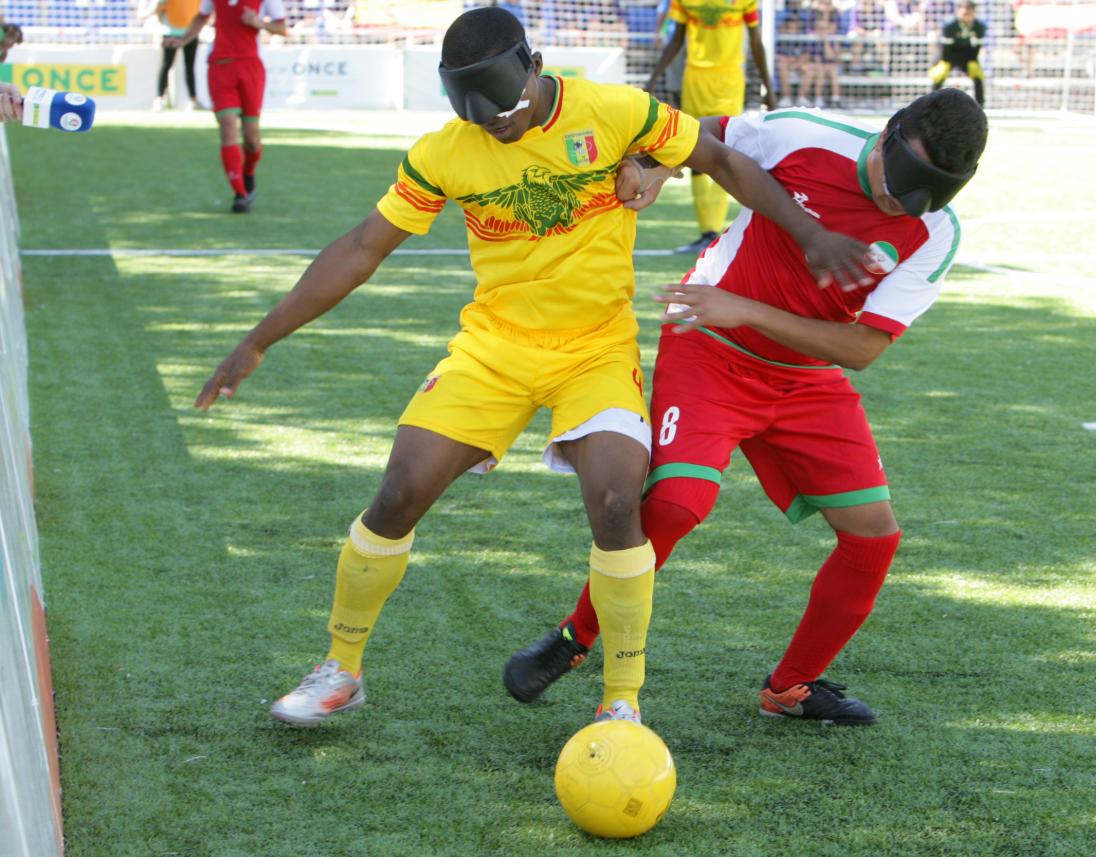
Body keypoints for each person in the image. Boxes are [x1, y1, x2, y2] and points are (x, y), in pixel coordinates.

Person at [195, 6, 875, 729]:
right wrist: (260, 338)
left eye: (508, 110)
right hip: (493, 348)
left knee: (618, 505)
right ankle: (341, 668)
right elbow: (364, 246)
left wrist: (808, 234)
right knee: (398, 493)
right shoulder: (446, 150)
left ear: (536, 67)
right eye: (480, 116)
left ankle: (621, 702)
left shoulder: (614, 111)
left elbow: (723, 161)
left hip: (597, 349)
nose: (498, 125)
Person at [504, 88, 988, 726]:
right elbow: (699, 136)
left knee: (873, 537)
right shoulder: (803, 135)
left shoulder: (935, 233)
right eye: (904, 178)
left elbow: (862, 347)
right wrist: (651, 168)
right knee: (678, 504)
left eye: (932, 191)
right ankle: (574, 640)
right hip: (709, 344)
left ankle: (792, 687)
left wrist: (749, 310)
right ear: (891, 133)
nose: (904, 201)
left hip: (804, 377)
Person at [646, 0, 778, 255]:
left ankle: (715, 230)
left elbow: (755, 42)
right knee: (692, 149)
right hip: (694, 78)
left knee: (721, 150)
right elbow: (676, 40)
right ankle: (706, 231)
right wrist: (653, 79)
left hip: (728, 80)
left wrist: (768, 89)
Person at [165, 0, 287, 213]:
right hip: (220, 66)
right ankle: (240, 194)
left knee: (252, 138)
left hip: (250, 66)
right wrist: (183, 40)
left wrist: (258, 23)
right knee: (228, 127)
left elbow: (282, 27)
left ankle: (248, 172)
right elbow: (202, 16)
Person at [929, 0, 986, 107]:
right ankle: (930, 104)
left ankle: (980, 106)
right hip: (949, 54)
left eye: (969, 11)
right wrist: (944, 62)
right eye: (963, 11)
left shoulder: (979, 26)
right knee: (939, 77)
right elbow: (945, 46)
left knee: (978, 76)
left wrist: (973, 60)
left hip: (967, 54)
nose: (966, 14)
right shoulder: (950, 25)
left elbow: (977, 45)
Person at [152, 0, 202, 112]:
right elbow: (159, 8)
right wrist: (162, 26)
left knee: (189, 67)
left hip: (191, 32)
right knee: (166, 65)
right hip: (171, 32)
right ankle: (159, 98)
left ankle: (193, 100)